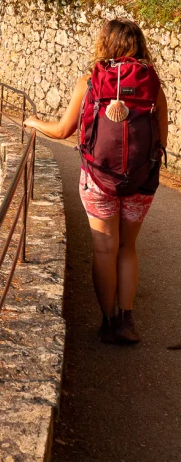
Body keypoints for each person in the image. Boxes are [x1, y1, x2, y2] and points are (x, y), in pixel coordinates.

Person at [24, 18, 167, 345]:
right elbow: (162, 142)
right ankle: (126, 321)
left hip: (98, 181)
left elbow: (62, 131)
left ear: (105, 44)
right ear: (140, 45)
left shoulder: (88, 83)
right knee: (127, 247)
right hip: (140, 183)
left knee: (104, 250)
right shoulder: (152, 84)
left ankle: (107, 321)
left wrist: (33, 121)